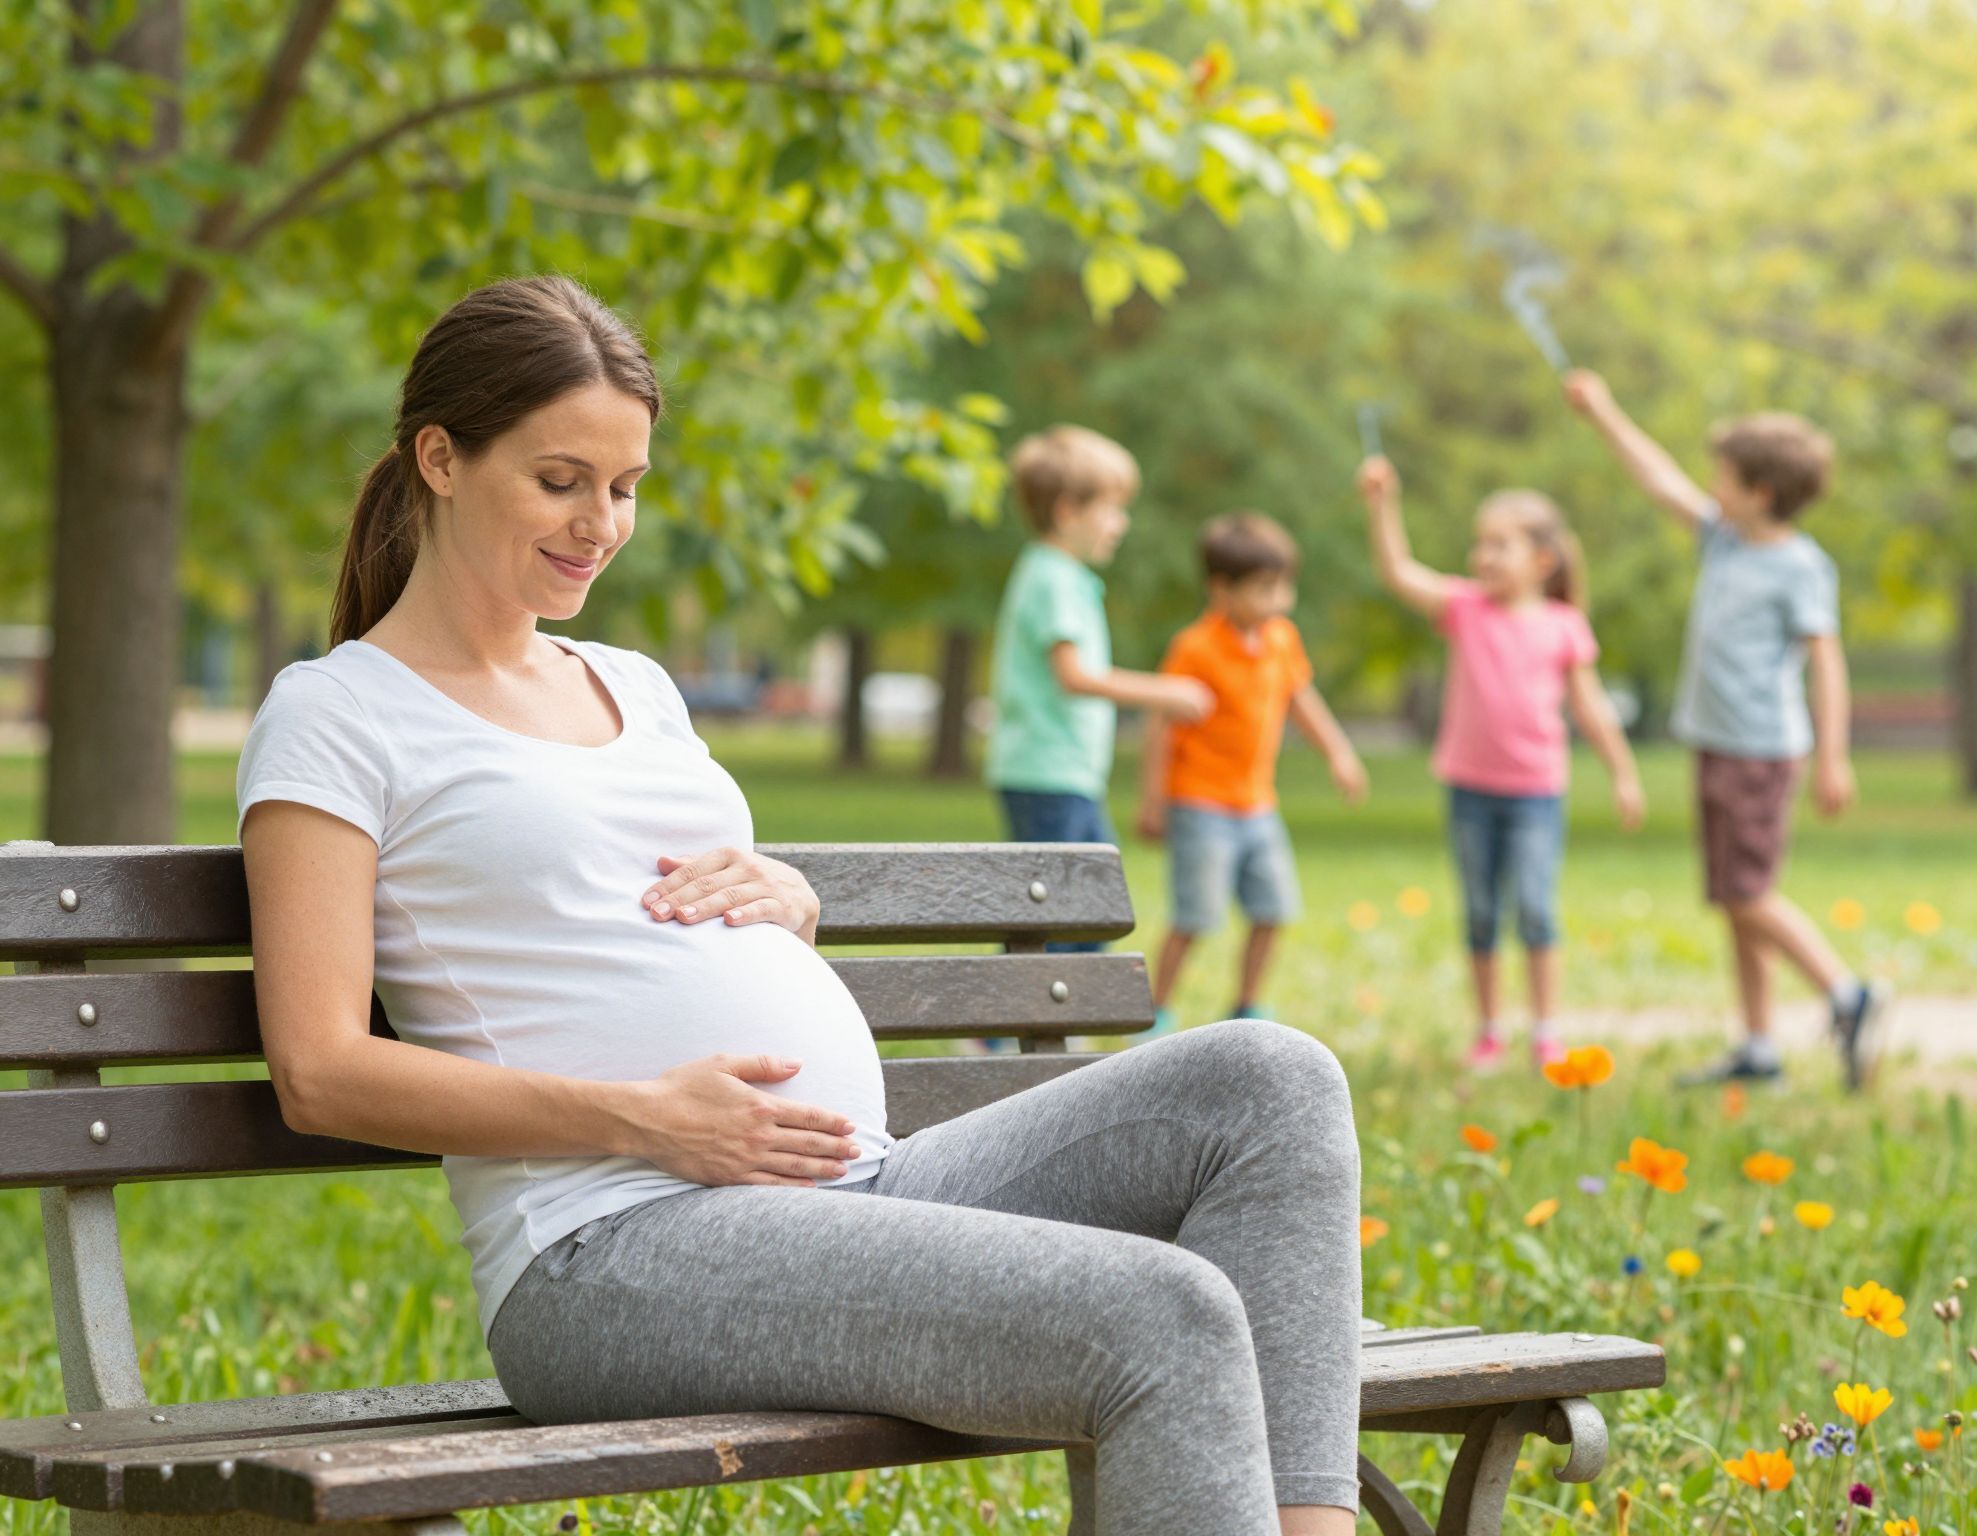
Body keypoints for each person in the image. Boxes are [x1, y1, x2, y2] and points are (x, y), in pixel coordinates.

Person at [234, 276, 1364, 1536]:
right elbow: (319, 1069)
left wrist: (793, 900)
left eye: (624, 486)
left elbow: (670, 911)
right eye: (559, 480)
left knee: (1272, 1078)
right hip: (608, 1252)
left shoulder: (636, 687)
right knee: (1164, 1313)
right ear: (440, 459)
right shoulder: (337, 715)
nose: (598, 524)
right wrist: (641, 1121)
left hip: (853, 1194)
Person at [1563, 369, 1884, 1088]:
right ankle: (1758, 1047)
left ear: (1761, 492)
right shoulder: (1723, 539)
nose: (1709, 487)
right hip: (1717, 744)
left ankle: (1846, 993)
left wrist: (1835, 757)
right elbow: (1658, 478)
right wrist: (1605, 411)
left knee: (1748, 893)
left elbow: (1825, 664)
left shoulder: (1801, 568)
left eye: (1724, 477)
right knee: (1734, 900)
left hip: (1762, 750)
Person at [1358, 455, 1645, 1072]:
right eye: (1479, 544)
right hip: (1470, 789)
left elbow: (1591, 707)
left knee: (1536, 908)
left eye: (1500, 545)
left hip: (1536, 793)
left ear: (1543, 560)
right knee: (1482, 911)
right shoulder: (1465, 608)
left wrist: (1622, 773)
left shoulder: (1564, 626)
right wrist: (1383, 505)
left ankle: (1545, 1030)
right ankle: (1490, 1030)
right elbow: (1399, 572)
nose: (1483, 557)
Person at [1137, 513, 1366, 1030]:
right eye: (1265, 588)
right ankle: (1156, 1010)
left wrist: (1338, 753)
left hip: (1258, 804)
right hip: (1201, 803)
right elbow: (1161, 729)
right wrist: (1153, 800)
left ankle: (1247, 1004)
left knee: (1273, 909)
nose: (1279, 599)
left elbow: (1301, 698)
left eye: (1285, 585)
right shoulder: (1195, 648)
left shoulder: (1282, 639)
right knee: (1194, 917)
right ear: (1221, 589)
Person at [984, 427, 1212, 944]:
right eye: (1111, 510)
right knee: (1056, 913)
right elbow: (1075, 676)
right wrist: (1167, 692)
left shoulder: (1061, 576)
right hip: (1047, 773)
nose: (1121, 524)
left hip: (1067, 774)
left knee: (1091, 911)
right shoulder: (1052, 577)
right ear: (1068, 511)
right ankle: (1001, 1026)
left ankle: (1048, 1021)